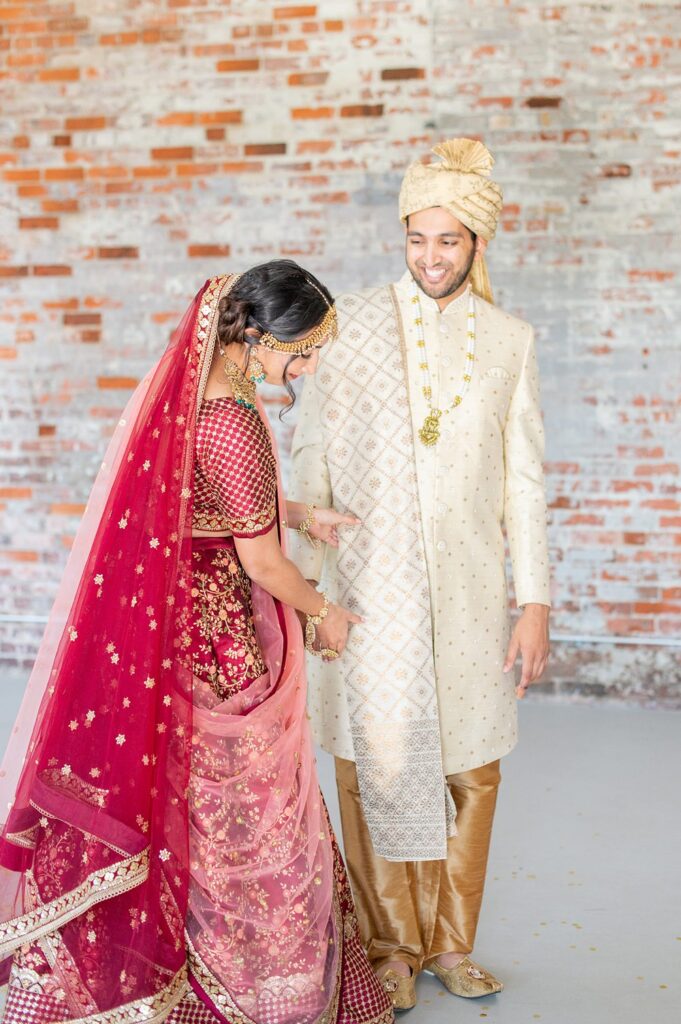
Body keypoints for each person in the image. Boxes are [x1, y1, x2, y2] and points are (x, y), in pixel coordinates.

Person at [0, 262, 394, 1024]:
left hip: (176, 621)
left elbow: (205, 493)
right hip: (217, 637)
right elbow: (262, 561)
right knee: (243, 811)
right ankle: (250, 989)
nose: (308, 369)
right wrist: (324, 613)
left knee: (183, 802)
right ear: (261, 337)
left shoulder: (201, 393)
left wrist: (301, 513)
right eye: (305, 351)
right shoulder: (234, 415)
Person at [289, 139, 551, 1012]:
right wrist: (310, 584)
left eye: (448, 241)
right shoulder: (353, 323)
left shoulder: (510, 343)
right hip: (367, 588)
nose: (431, 257)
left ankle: (451, 945)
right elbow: (312, 447)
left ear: (477, 243)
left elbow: (524, 481)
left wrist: (535, 602)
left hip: (471, 596)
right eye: (416, 239)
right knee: (373, 764)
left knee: (471, 771)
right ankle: (389, 947)